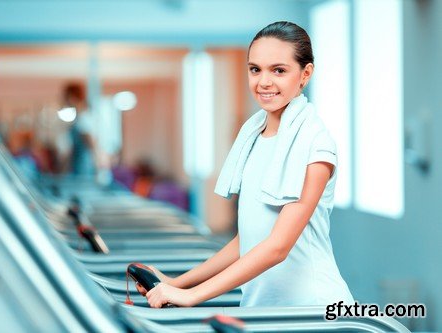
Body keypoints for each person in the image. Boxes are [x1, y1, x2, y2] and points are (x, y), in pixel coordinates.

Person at [139, 21, 355, 308]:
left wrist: (191, 296)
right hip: (263, 308)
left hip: (313, 309)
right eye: (255, 69)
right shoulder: (253, 138)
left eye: (278, 70)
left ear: (305, 74)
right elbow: (249, 241)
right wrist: (176, 283)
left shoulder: (316, 145)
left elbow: (277, 247)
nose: (263, 81)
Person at [63, 83, 97, 176]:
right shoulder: (79, 117)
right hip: (78, 163)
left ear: (72, 97)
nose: (64, 101)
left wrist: (97, 165)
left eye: (66, 97)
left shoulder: (84, 117)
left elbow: (91, 142)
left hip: (84, 165)